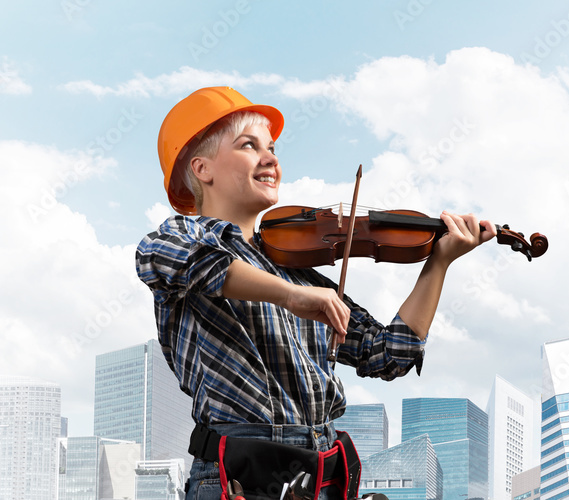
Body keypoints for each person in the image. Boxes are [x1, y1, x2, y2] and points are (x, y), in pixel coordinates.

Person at [135, 87, 496, 500]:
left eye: (272, 148)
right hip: (239, 476)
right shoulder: (179, 236)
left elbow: (388, 352)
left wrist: (439, 263)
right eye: (248, 146)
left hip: (321, 477)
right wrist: (291, 297)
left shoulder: (297, 269)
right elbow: (196, 263)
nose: (271, 159)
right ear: (202, 168)